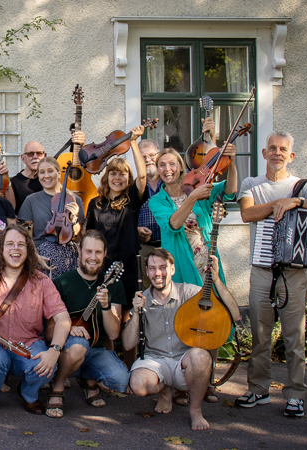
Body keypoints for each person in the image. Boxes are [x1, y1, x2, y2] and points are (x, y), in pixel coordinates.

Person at [234, 131, 307, 418]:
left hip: (293, 272)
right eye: (272, 148)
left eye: (283, 149)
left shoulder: (302, 187)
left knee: (295, 337)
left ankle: (295, 395)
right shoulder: (250, 183)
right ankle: (259, 389)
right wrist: (277, 205)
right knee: (259, 335)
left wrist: (296, 202)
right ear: (264, 153)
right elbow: (247, 214)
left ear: (290, 155)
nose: (277, 153)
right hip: (262, 271)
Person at [148, 142, 237, 403]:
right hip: (181, 266)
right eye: (162, 165)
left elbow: (230, 191)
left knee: (214, 319)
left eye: (172, 164)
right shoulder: (157, 200)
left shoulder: (202, 188)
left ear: (181, 167)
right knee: (184, 322)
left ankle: (207, 381)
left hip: (208, 263)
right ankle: (182, 383)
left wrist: (232, 162)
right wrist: (192, 197)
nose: (167, 169)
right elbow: (174, 223)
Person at [0, 225, 71, 416]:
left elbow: (63, 318)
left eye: (21, 245)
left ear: (28, 250)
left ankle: (29, 394)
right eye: (9, 244)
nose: (15, 249)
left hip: (27, 343)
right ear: (1, 249)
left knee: (46, 366)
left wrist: (55, 350)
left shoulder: (41, 281)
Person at [124, 249, 238, 431]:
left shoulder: (190, 292)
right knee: (138, 384)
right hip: (157, 361)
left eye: (163, 268)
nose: (158, 273)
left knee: (201, 357)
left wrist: (216, 280)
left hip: (184, 362)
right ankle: (166, 389)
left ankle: (195, 410)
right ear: (147, 272)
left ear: (172, 270)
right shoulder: (142, 299)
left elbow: (235, 314)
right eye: (152, 269)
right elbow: (128, 344)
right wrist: (136, 313)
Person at [49, 231, 130, 418]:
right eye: (89, 251)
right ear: (79, 251)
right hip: (68, 348)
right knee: (79, 346)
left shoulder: (114, 285)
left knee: (120, 379)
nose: (93, 257)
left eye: (98, 252)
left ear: (105, 253)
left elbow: (112, 334)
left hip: (97, 350)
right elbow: (49, 331)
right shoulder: (62, 282)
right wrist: (69, 327)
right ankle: (58, 385)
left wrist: (106, 306)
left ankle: (87, 378)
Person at [84, 125, 147, 366]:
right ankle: (110, 364)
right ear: (106, 176)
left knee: (129, 315)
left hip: (128, 263)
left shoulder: (131, 199)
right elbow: (88, 235)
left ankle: (131, 366)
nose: (118, 178)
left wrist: (133, 142)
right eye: (113, 173)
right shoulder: (95, 204)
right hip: (103, 266)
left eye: (122, 174)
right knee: (107, 314)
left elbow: (142, 176)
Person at [17, 156, 84, 278]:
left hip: (69, 257)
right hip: (41, 257)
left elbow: (79, 239)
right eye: (42, 172)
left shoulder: (74, 199)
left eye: (50, 171)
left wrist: (74, 220)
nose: (46, 176)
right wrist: (35, 256)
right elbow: (24, 235)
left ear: (59, 173)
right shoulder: (31, 200)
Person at [136, 138, 163, 289]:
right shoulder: (135, 186)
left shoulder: (169, 183)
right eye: (143, 157)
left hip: (168, 245)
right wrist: (136, 229)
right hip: (144, 247)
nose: (148, 160)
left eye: (152, 155)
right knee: (147, 291)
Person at [6, 141, 45, 214]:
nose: (35, 156)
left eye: (39, 153)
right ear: (23, 158)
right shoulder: (14, 183)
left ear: (44, 156)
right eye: (30, 154)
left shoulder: (47, 181)